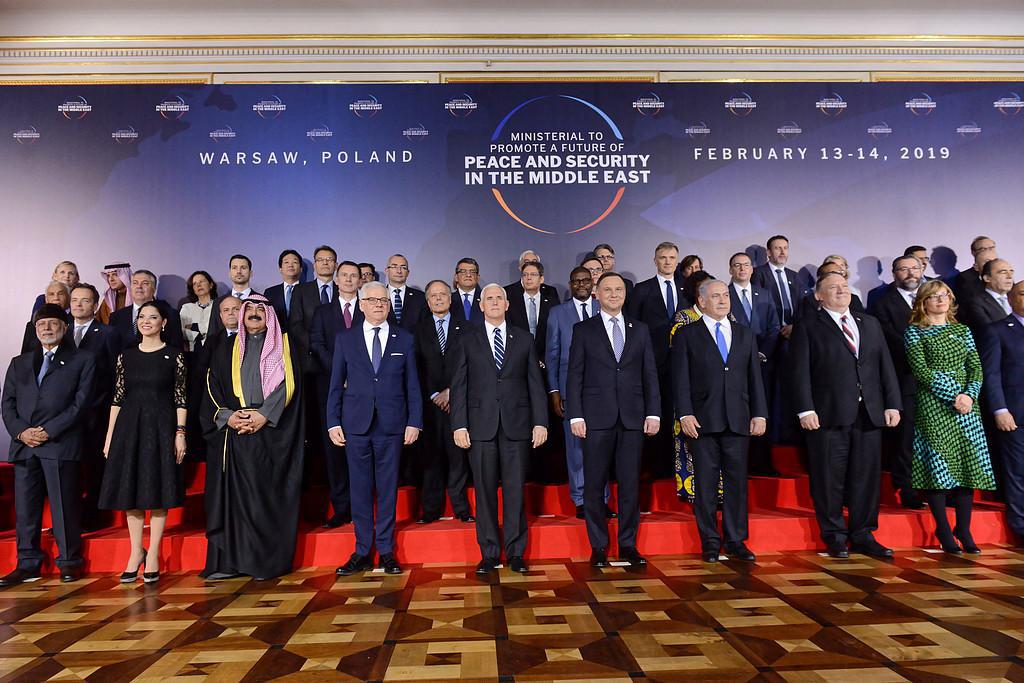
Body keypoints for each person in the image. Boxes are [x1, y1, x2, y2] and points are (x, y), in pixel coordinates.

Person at [790, 272, 902, 559]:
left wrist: (892, 403)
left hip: (869, 413)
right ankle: (834, 535)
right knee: (829, 478)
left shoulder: (870, 323)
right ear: (818, 296)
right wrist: (805, 409)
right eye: (833, 287)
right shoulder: (808, 326)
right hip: (828, 414)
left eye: (844, 286)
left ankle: (863, 533)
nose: (841, 290)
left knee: (866, 478)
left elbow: (884, 366)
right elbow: (799, 372)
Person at [201, 295, 304, 580]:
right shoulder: (226, 348)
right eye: (250, 309)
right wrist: (228, 417)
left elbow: (290, 385)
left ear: (269, 315)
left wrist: (264, 415)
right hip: (235, 433)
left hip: (271, 434)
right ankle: (230, 564)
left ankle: (263, 563)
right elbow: (211, 387)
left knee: (263, 501)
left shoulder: (285, 346)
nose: (255, 313)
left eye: (261, 309)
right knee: (234, 501)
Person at [450, 283, 547, 574]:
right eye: (488, 298)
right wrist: (459, 424)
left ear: (507, 304)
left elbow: (535, 384)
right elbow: (459, 385)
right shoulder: (467, 339)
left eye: (499, 298)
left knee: (515, 491)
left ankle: (516, 553)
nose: (494, 302)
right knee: (484, 492)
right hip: (480, 427)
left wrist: (540, 421)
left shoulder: (524, 338)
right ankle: (490, 553)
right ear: (481, 305)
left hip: (517, 426)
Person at [328, 282, 422, 575]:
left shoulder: (404, 339)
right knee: (359, 490)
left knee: (387, 490)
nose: (379, 304)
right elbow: (335, 385)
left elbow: (413, 385)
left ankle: (386, 550)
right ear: (362, 304)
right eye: (373, 300)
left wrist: (414, 421)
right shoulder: (346, 339)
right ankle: (361, 551)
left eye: (384, 300)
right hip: (355, 425)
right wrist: (333, 421)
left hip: (391, 425)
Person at [567, 272, 660, 568]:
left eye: (619, 289)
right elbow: (574, 375)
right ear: (597, 293)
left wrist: (653, 412)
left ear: (625, 293)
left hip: (633, 418)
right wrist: (576, 414)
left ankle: (628, 544)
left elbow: (649, 373)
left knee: (630, 485)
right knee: (594, 485)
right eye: (607, 289)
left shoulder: (640, 329)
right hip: (596, 418)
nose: (614, 294)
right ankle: (598, 546)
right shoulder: (583, 329)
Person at [0, 304, 95, 586]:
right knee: (26, 511)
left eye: (53, 323)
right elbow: (7, 404)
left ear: (65, 328)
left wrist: (49, 431)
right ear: (35, 330)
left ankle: (69, 562)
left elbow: (81, 404)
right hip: (25, 446)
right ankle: (27, 564)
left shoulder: (82, 360)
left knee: (64, 507)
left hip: (60, 444)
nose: (47, 328)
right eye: (41, 325)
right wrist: (22, 432)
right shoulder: (19, 362)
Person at [673, 280, 767, 562]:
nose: (723, 300)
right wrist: (685, 413)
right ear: (702, 302)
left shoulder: (745, 333)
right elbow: (679, 378)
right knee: (706, 483)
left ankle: (736, 540)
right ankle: (710, 541)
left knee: (737, 483)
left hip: (738, 419)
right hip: (702, 420)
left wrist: (759, 413)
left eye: (725, 295)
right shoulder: (687, 334)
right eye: (716, 296)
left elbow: (754, 378)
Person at [905, 280, 996, 554]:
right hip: (935, 404)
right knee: (939, 467)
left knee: (968, 466)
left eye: (945, 295)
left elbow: (976, 368)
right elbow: (921, 370)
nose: (941, 300)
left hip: (967, 406)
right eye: (934, 296)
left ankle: (964, 529)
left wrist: (969, 395)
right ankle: (944, 530)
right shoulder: (915, 331)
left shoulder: (962, 330)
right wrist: (953, 394)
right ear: (923, 302)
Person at [99, 301, 186, 583]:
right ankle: (136, 551)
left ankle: (153, 555)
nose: (146, 321)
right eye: (142, 317)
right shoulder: (126, 356)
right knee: (130, 491)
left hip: (161, 427)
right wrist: (109, 436)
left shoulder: (174, 355)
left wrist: (180, 433)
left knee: (158, 489)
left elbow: (180, 398)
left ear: (164, 323)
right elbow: (117, 398)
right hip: (129, 428)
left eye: (153, 317)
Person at [413, 280, 474, 524]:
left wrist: (451, 392)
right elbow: (416, 369)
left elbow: (471, 364)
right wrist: (433, 394)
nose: (438, 299)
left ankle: (461, 509)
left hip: (458, 402)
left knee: (458, 457)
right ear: (428, 302)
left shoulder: (467, 328)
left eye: (443, 295)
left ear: (450, 299)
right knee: (431, 457)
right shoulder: (417, 330)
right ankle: (430, 510)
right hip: (429, 406)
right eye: (433, 296)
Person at [869, 255, 927, 510]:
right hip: (904, 378)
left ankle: (936, 486)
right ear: (894, 274)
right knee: (906, 438)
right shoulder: (883, 304)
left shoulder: (934, 298)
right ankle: (907, 487)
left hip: (936, 383)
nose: (910, 273)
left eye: (914, 268)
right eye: (904, 269)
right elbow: (890, 341)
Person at [626, 242, 689, 477]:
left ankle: (683, 465)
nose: (667, 262)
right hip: (653, 361)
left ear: (677, 260)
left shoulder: (687, 288)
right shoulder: (642, 289)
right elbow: (633, 326)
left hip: (684, 362)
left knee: (682, 410)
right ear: (655, 260)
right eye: (663, 257)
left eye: (671, 257)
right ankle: (659, 467)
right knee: (657, 412)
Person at [547, 266, 604, 518]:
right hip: (570, 390)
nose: (581, 284)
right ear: (570, 285)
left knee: (601, 447)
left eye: (585, 280)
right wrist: (554, 391)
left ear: (592, 283)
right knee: (576, 448)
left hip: (602, 390)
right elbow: (552, 355)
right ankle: (581, 499)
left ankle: (601, 499)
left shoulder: (604, 308)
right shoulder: (558, 313)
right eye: (576, 281)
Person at [310, 261, 364, 528]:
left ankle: (362, 508)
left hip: (363, 391)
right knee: (335, 454)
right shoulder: (322, 312)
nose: (349, 279)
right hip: (331, 390)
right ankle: (341, 509)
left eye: (354, 276)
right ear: (336, 279)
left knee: (361, 452)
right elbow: (317, 345)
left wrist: (355, 376)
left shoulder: (369, 309)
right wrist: (339, 374)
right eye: (344, 275)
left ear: (360, 281)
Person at [68, 283, 120, 529]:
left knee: (94, 467)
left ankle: (92, 517)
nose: (78, 304)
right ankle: (69, 518)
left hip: (96, 413)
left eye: (85, 300)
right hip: (63, 415)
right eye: (74, 300)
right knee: (69, 469)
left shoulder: (108, 333)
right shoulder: (60, 330)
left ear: (95, 304)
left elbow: (115, 374)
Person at [980, 279, 1024, 547]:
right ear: (1010, 299)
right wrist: (1000, 408)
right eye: (1023, 293)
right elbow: (992, 374)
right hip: (1015, 414)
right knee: (1018, 472)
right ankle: (1021, 527)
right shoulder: (997, 330)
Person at [669, 270, 717, 501]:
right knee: (691, 443)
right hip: (692, 393)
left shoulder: (728, 318)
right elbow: (678, 360)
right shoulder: (684, 319)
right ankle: (692, 490)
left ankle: (719, 492)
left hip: (719, 394)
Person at [108, 270, 185, 351]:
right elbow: (112, 349)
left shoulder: (170, 314)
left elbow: (176, 348)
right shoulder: (116, 316)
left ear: (154, 289)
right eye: (135, 283)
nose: (139, 286)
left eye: (145, 283)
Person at [289, 245, 339, 366]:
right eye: (320, 260)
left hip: (338, 355)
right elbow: (295, 324)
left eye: (329, 259)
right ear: (314, 265)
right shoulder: (301, 290)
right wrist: (315, 346)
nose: (325, 263)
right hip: (309, 358)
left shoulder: (343, 291)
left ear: (336, 265)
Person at [505, 260, 556, 361]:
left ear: (541, 279)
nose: (528, 278)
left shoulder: (552, 303)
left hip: (545, 359)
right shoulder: (511, 303)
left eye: (533, 274)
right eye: (525, 275)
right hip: (518, 359)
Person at [207, 255, 261, 338]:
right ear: (229, 273)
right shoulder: (218, 302)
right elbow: (212, 334)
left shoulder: (261, 301)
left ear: (251, 273)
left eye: (243, 268)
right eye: (234, 268)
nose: (238, 271)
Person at [960, 258, 1014, 335]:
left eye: (1011, 272)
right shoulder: (975, 303)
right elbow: (989, 331)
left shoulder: (1017, 298)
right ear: (987, 278)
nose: (1009, 276)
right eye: (1003, 272)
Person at [21, 280, 70, 353]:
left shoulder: (76, 322)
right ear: (46, 299)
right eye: (51, 294)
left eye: (60, 294)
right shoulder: (31, 325)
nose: (56, 298)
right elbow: (25, 355)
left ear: (68, 297)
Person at [384, 253, 427, 332]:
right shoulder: (378, 295)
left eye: (403, 267)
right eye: (394, 267)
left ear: (408, 272)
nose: (399, 271)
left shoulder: (420, 297)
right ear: (386, 270)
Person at [264, 248, 303, 333]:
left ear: (301, 269)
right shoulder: (270, 293)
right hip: (278, 337)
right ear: (280, 269)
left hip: (303, 338)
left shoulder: (309, 291)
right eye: (286, 262)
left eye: (295, 262)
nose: (290, 265)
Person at [179, 270, 218, 352]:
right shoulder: (186, 308)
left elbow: (218, 329)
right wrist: (197, 335)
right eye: (194, 284)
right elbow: (181, 331)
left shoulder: (219, 307)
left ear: (211, 285)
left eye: (202, 281)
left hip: (215, 350)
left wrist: (195, 327)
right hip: (192, 351)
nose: (198, 285)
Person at [953, 235, 998, 303]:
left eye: (991, 248)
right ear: (973, 253)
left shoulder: (1005, 274)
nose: (988, 251)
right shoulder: (964, 278)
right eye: (982, 249)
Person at [450, 257, 483, 325]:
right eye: (463, 271)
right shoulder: (448, 299)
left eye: (472, 272)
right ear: (456, 277)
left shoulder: (485, 298)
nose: (468, 275)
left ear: (478, 277)